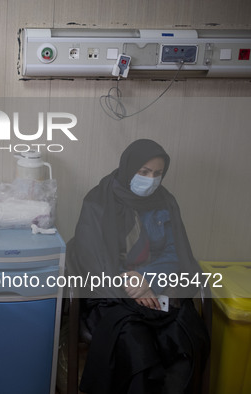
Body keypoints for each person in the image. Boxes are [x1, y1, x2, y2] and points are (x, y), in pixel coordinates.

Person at [67, 139, 210, 394]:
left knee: (183, 336)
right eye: (144, 172)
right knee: (134, 341)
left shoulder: (165, 201)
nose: (151, 180)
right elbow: (94, 258)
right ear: (128, 168)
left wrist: (146, 280)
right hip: (111, 294)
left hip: (157, 288)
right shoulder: (98, 201)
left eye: (157, 174)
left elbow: (174, 252)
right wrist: (129, 282)